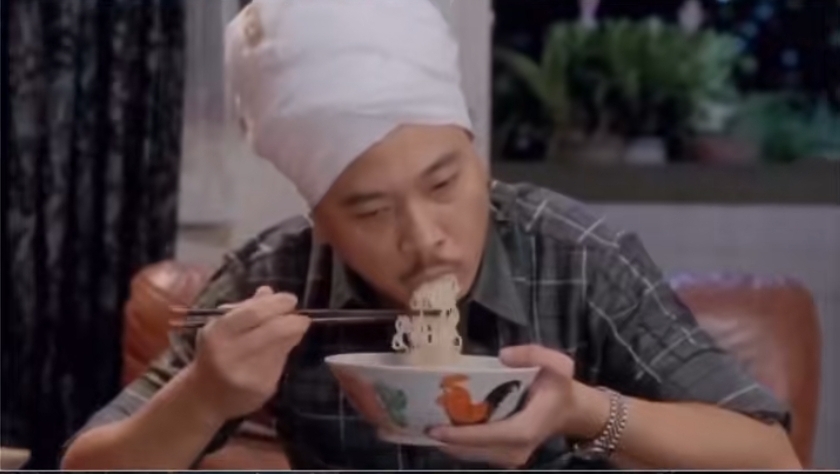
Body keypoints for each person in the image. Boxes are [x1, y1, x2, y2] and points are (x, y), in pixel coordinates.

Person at [61, 0, 801, 470]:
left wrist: (584, 411)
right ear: (321, 220)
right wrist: (204, 395)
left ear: (479, 159)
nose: (426, 240)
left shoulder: (575, 256)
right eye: (371, 211)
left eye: (444, 184)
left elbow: (770, 456)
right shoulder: (275, 278)